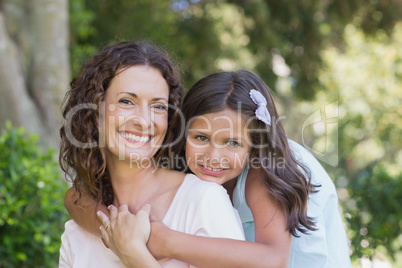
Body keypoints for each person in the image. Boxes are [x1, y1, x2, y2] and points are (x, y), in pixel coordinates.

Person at [65, 69, 351, 267]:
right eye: (201, 138)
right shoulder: (180, 166)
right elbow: (75, 197)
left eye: (233, 143)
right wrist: (119, 226)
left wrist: (163, 240)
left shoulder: (264, 167)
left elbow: (273, 260)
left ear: (254, 145)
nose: (214, 156)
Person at [58, 41, 245, 268]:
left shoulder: (203, 202)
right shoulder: (79, 230)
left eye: (158, 106)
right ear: (94, 110)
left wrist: (135, 256)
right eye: (126, 101)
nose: (143, 120)